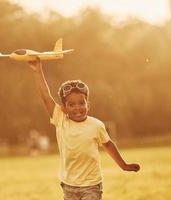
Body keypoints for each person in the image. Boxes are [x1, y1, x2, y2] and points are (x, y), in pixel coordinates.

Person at [28, 58, 140, 200]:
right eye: (72, 104)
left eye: (81, 103)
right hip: (69, 186)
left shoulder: (96, 125)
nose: (78, 108)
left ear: (88, 104)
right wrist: (37, 70)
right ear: (64, 108)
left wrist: (124, 165)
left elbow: (108, 144)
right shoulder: (61, 120)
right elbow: (46, 97)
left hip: (92, 185)